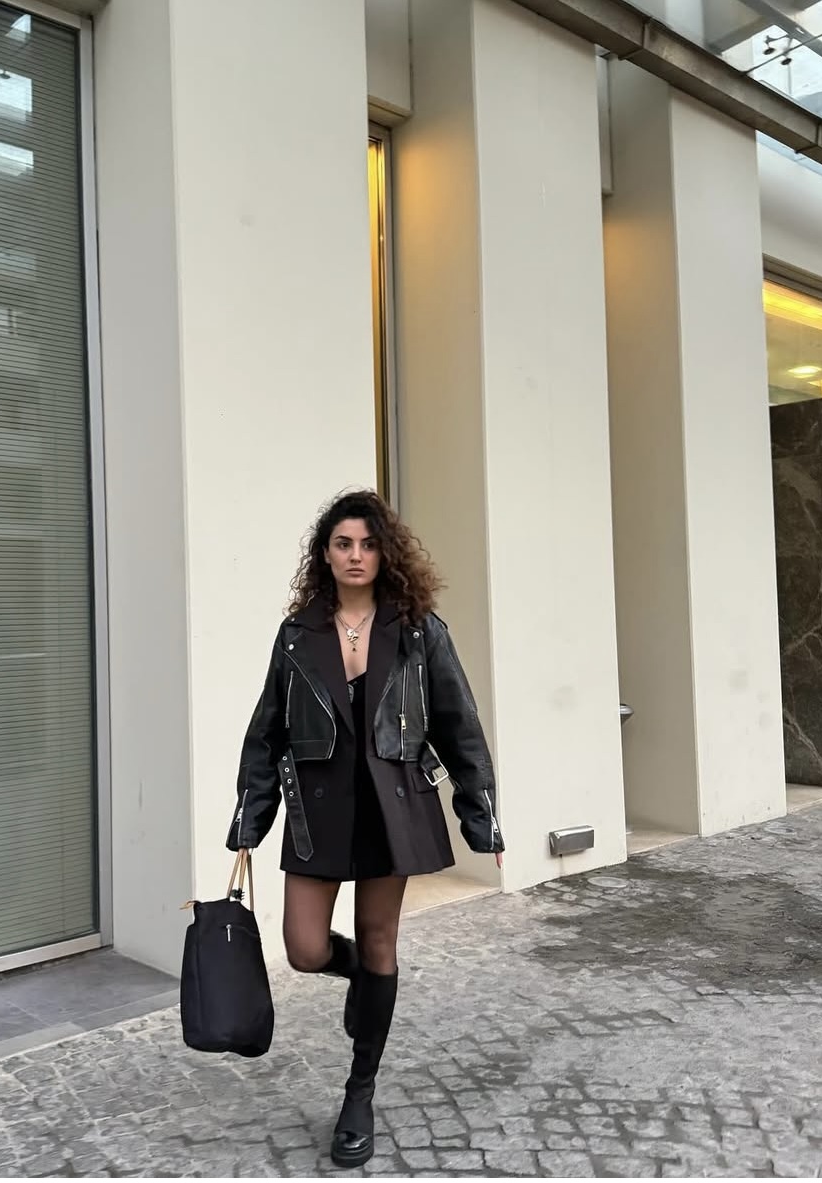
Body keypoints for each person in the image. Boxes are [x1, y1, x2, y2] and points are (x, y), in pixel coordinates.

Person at [226, 489, 504, 1169]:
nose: (356, 556)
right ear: (325, 554)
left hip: (392, 806)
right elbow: (267, 733)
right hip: (318, 813)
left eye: (368, 544)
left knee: (382, 942)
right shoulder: (298, 635)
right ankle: (361, 978)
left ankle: (359, 1091)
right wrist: (249, 817)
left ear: (386, 553)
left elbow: (459, 726)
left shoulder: (419, 631)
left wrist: (482, 816)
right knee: (304, 948)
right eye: (343, 544)